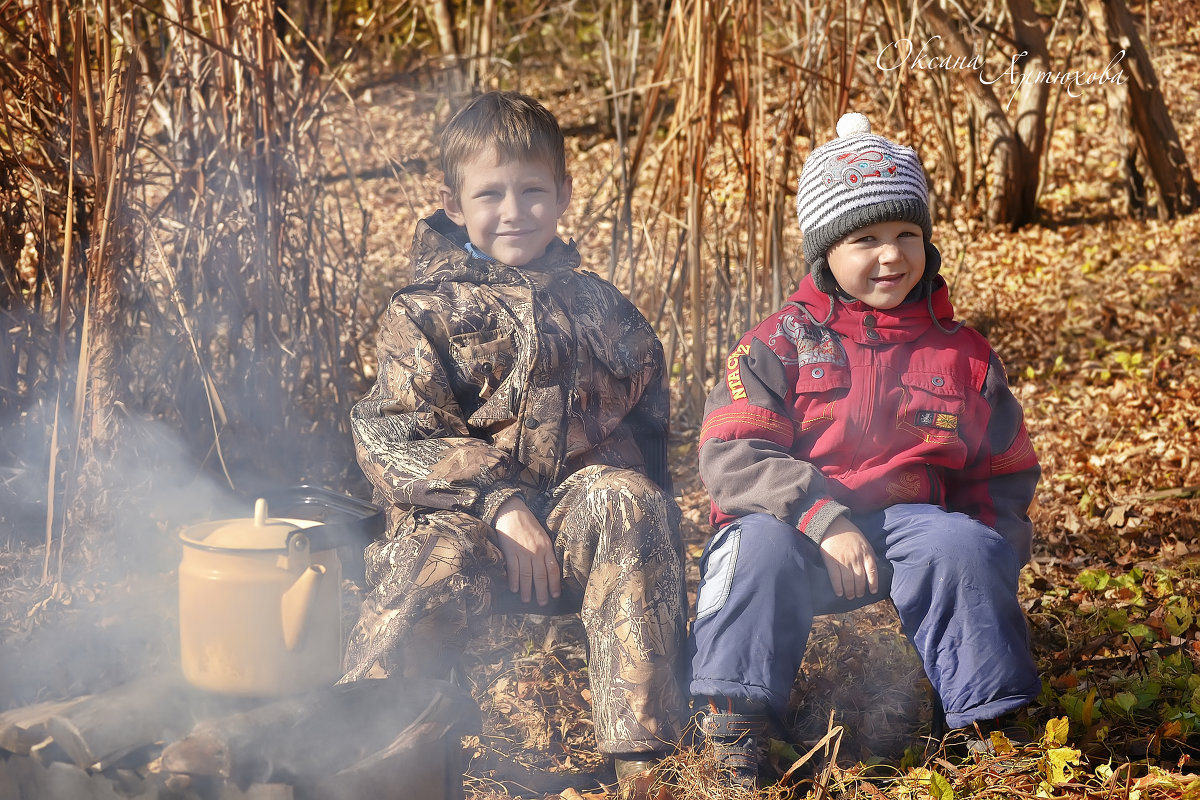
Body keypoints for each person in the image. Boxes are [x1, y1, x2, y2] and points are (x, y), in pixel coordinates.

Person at [339, 90, 687, 794]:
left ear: (563, 194)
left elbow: (650, 423)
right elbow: (393, 431)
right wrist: (497, 500)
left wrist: (650, 518)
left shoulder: (602, 307)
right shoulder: (425, 310)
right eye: (490, 193)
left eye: (532, 191)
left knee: (630, 502)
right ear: (455, 203)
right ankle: (368, 753)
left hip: (572, 525)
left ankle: (647, 762)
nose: (513, 210)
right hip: (464, 524)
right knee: (422, 558)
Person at [688, 112, 1042, 787]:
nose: (891, 255)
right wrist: (823, 518)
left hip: (911, 530)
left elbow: (1002, 477)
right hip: (793, 529)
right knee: (750, 547)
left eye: (908, 234)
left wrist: (988, 562)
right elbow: (735, 455)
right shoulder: (780, 342)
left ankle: (989, 721)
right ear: (825, 252)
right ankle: (736, 721)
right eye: (866, 238)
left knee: (962, 546)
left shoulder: (960, 354)